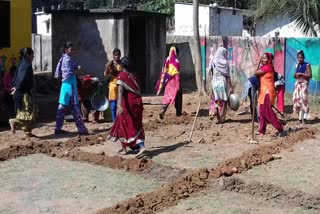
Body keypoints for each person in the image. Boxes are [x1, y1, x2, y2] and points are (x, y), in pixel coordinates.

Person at [107, 57, 146, 158]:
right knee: (136, 125)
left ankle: (139, 147)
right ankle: (128, 147)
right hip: (138, 103)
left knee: (126, 124)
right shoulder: (134, 76)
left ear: (122, 66)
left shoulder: (122, 76)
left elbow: (120, 92)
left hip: (128, 104)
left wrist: (119, 105)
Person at [54, 42, 90, 135]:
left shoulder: (65, 58)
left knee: (61, 108)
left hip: (65, 86)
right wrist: (77, 69)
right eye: (71, 49)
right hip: (70, 86)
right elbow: (67, 73)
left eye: (73, 49)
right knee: (75, 109)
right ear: (66, 50)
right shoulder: (67, 60)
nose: (73, 51)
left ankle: (58, 128)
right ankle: (82, 130)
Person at [9, 48, 37, 137]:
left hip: (19, 92)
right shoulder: (27, 65)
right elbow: (22, 78)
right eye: (32, 55)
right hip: (23, 93)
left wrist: (14, 87)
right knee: (30, 113)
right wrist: (17, 88)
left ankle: (27, 131)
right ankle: (14, 121)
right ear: (28, 55)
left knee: (24, 112)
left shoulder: (21, 64)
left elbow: (16, 77)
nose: (33, 57)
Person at [254, 52, 283, 136]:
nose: (263, 60)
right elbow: (256, 72)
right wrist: (259, 62)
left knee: (267, 112)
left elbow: (255, 73)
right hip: (264, 91)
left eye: (265, 58)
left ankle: (279, 128)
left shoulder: (268, 67)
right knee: (262, 112)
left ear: (269, 59)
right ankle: (261, 130)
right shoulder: (264, 67)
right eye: (262, 58)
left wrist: (259, 62)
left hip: (268, 92)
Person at [155, 46, 182, 120]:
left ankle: (163, 109)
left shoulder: (167, 59)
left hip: (168, 82)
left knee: (167, 96)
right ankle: (179, 112)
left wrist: (163, 81)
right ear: (176, 52)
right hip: (175, 81)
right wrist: (178, 84)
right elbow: (176, 73)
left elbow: (164, 70)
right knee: (178, 95)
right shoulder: (176, 61)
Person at [208, 47, 233, 123]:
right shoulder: (225, 63)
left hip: (214, 82)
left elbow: (211, 73)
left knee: (214, 99)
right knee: (222, 101)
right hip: (222, 83)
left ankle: (213, 112)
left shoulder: (213, 62)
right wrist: (230, 87)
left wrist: (212, 83)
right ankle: (221, 118)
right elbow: (228, 76)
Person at [103, 48, 122, 122]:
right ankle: (114, 121)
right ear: (113, 56)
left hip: (121, 85)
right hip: (113, 86)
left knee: (121, 105)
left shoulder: (121, 63)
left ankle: (121, 121)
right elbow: (105, 74)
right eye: (115, 55)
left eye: (118, 55)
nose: (117, 57)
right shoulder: (110, 64)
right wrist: (107, 66)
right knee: (113, 106)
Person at [293, 50, 312, 124]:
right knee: (297, 101)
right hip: (298, 85)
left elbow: (310, 75)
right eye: (298, 58)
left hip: (304, 85)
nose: (299, 59)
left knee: (304, 100)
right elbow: (294, 75)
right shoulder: (297, 65)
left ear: (303, 58)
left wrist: (301, 74)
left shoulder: (307, 65)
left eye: (301, 58)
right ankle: (300, 118)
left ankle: (305, 118)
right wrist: (295, 75)